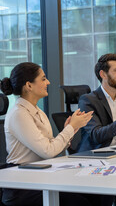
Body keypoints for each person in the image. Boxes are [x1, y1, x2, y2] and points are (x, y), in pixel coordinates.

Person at [0, 62, 98, 206]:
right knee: (79, 202)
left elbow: (51, 146)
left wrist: (71, 130)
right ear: (29, 85)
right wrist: (70, 127)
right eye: (43, 79)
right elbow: (48, 151)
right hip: (22, 184)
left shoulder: (38, 112)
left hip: (40, 174)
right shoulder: (19, 114)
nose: (48, 82)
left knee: (92, 195)